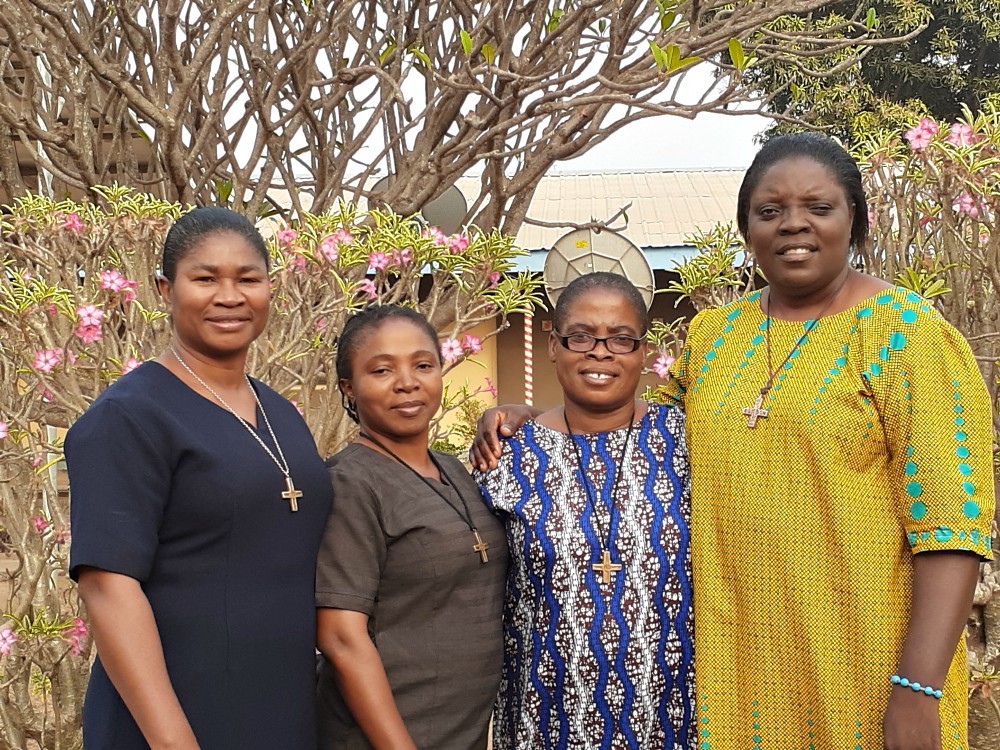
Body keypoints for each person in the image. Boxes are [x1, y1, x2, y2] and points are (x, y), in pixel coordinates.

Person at [473, 133, 995, 750]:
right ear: (747, 228)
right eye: (768, 211)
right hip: (735, 673)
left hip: (865, 665)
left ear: (854, 220)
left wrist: (919, 687)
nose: (792, 225)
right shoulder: (717, 334)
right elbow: (642, 424)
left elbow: (952, 530)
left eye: (818, 208)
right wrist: (536, 417)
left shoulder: (907, 334)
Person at [66, 207, 333, 749]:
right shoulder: (129, 417)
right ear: (166, 289)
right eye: (205, 278)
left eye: (247, 279)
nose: (230, 296)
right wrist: (173, 742)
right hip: (174, 718)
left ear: (269, 289)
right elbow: (108, 587)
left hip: (280, 708)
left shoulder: (280, 412)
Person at [475, 272, 696, 749]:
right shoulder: (509, 454)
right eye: (580, 336)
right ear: (553, 346)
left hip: (673, 716)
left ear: (641, 352)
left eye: (621, 338)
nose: (600, 352)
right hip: (546, 716)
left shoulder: (690, 440)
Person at [314, 304, 508, 750]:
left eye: (423, 365)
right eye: (381, 370)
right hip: (385, 736)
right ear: (350, 387)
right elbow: (340, 636)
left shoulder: (454, 470)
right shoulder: (350, 484)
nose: (407, 383)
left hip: (460, 730)